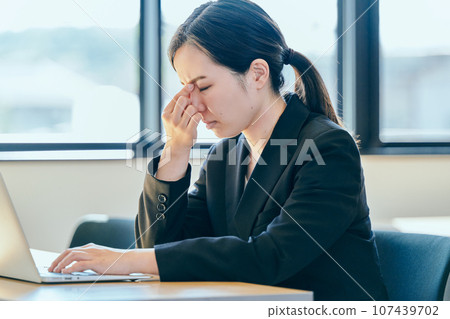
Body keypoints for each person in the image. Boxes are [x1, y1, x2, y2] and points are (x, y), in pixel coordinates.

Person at [49, 0, 388, 301]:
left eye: (204, 86)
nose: (193, 104)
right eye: (186, 89)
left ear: (257, 73)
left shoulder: (327, 147)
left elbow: (268, 257)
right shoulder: (226, 155)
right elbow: (158, 249)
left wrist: (123, 262)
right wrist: (176, 152)